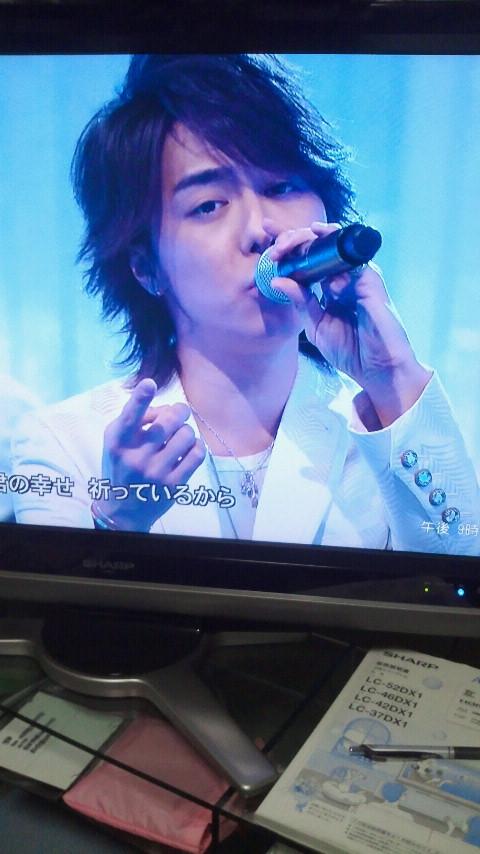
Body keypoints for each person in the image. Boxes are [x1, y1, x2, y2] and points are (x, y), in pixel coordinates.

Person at [11, 54, 479, 553]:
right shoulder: (63, 442)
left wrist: (393, 377)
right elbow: (62, 606)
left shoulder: (389, 428)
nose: (261, 229)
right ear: (146, 267)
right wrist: (120, 522)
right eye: (209, 205)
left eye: (282, 186)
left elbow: (455, 581)